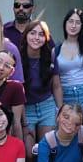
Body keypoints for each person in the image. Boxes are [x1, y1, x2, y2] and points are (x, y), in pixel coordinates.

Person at [19, 20, 62, 149]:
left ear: (46, 38)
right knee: (29, 152)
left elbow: (56, 86)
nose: (36, 38)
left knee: (46, 148)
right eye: (32, 33)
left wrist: (60, 111)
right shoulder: (18, 57)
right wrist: (23, 119)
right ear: (26, 35)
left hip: (47, 105)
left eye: (41, 34)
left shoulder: (50, 57)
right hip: (26, 108)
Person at [56, 8, 83, 109]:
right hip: (65, 94)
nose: (73, 26)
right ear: (65, 23)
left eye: (78, 22)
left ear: (82, 26)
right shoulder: (56, 50)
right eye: (70, 21)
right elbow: (56, 82)